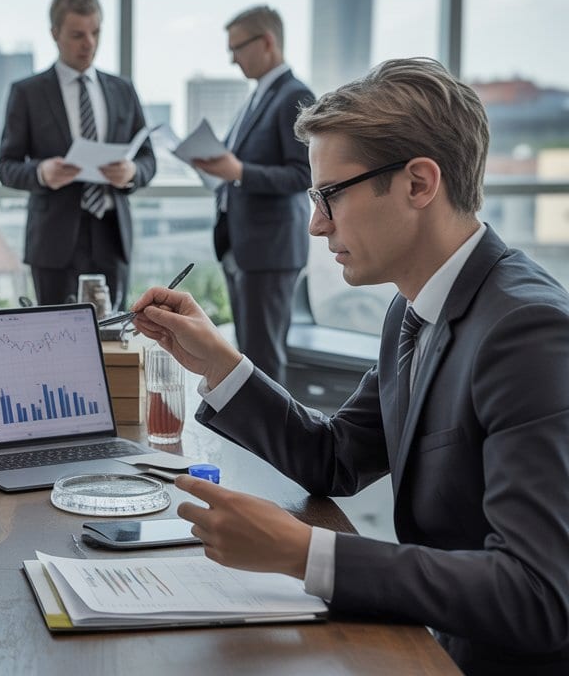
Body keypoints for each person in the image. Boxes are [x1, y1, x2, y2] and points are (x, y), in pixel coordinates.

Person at [132, 58, 569, 675]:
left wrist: (308, 552)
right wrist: (222, 364)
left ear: (420, 184)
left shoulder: (527, 331)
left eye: (330, 196)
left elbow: (538, 595)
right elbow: (335, 457)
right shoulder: (412, 310)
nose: (315, 225)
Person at [0, 0, 155, 310]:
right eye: (78, 34)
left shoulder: (123, 90)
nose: (90, 43)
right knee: (56, 343)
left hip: (111, 235)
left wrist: (132, 172)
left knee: (113, 339)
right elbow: (6, 165)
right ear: (55, 34)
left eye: (96, 32)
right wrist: (41, 173)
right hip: (53, 240)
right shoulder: (28, 92)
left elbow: (148, 157)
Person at [191, 5, 313, 384]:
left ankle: (270, 444)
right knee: (248, 356)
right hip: (243, 246)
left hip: (270, 250)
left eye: (238, 47)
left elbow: (304, 173)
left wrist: (239, 171)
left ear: (267, 42)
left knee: (263, 360)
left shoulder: (295, 95)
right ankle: (249, 440)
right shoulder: (257, 97)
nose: (232, 59)